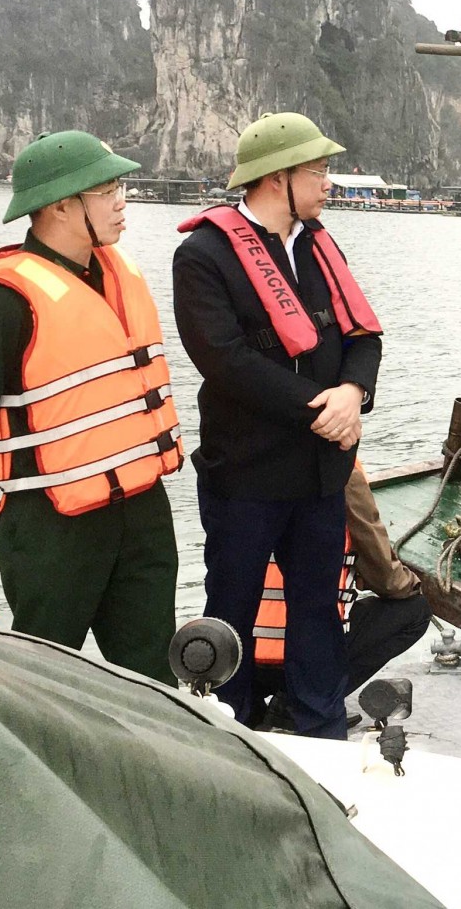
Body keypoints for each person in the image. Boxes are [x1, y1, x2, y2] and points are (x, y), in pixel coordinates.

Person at [0, 131, 182, 683]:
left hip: (140, 511)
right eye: (107, 188)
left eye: (120, 186)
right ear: (61, 205)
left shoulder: (120, 272)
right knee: (47, 678)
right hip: (49, 525)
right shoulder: (0, 302)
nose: (122, 200)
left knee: (155, 678)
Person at [173, 112, 383, 739]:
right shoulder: (203, 256)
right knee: (231, 611)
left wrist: (354, 391)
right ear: (276, 178)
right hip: (246, 475)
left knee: (319, 611)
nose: (328, 182)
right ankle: (228, 736)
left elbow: (362, 333)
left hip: (321, 475)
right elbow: (225, 360)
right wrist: (324, 407)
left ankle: (322, 732)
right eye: (317, 171)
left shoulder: (321, 244)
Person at [250, 459, 431, 730]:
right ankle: (302, 701)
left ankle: (248, 707)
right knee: (414, 612)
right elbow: (385, 577)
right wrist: (412, 584)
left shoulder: (246, 462)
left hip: (244, 653)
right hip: (306, 655)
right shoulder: (341, 470)